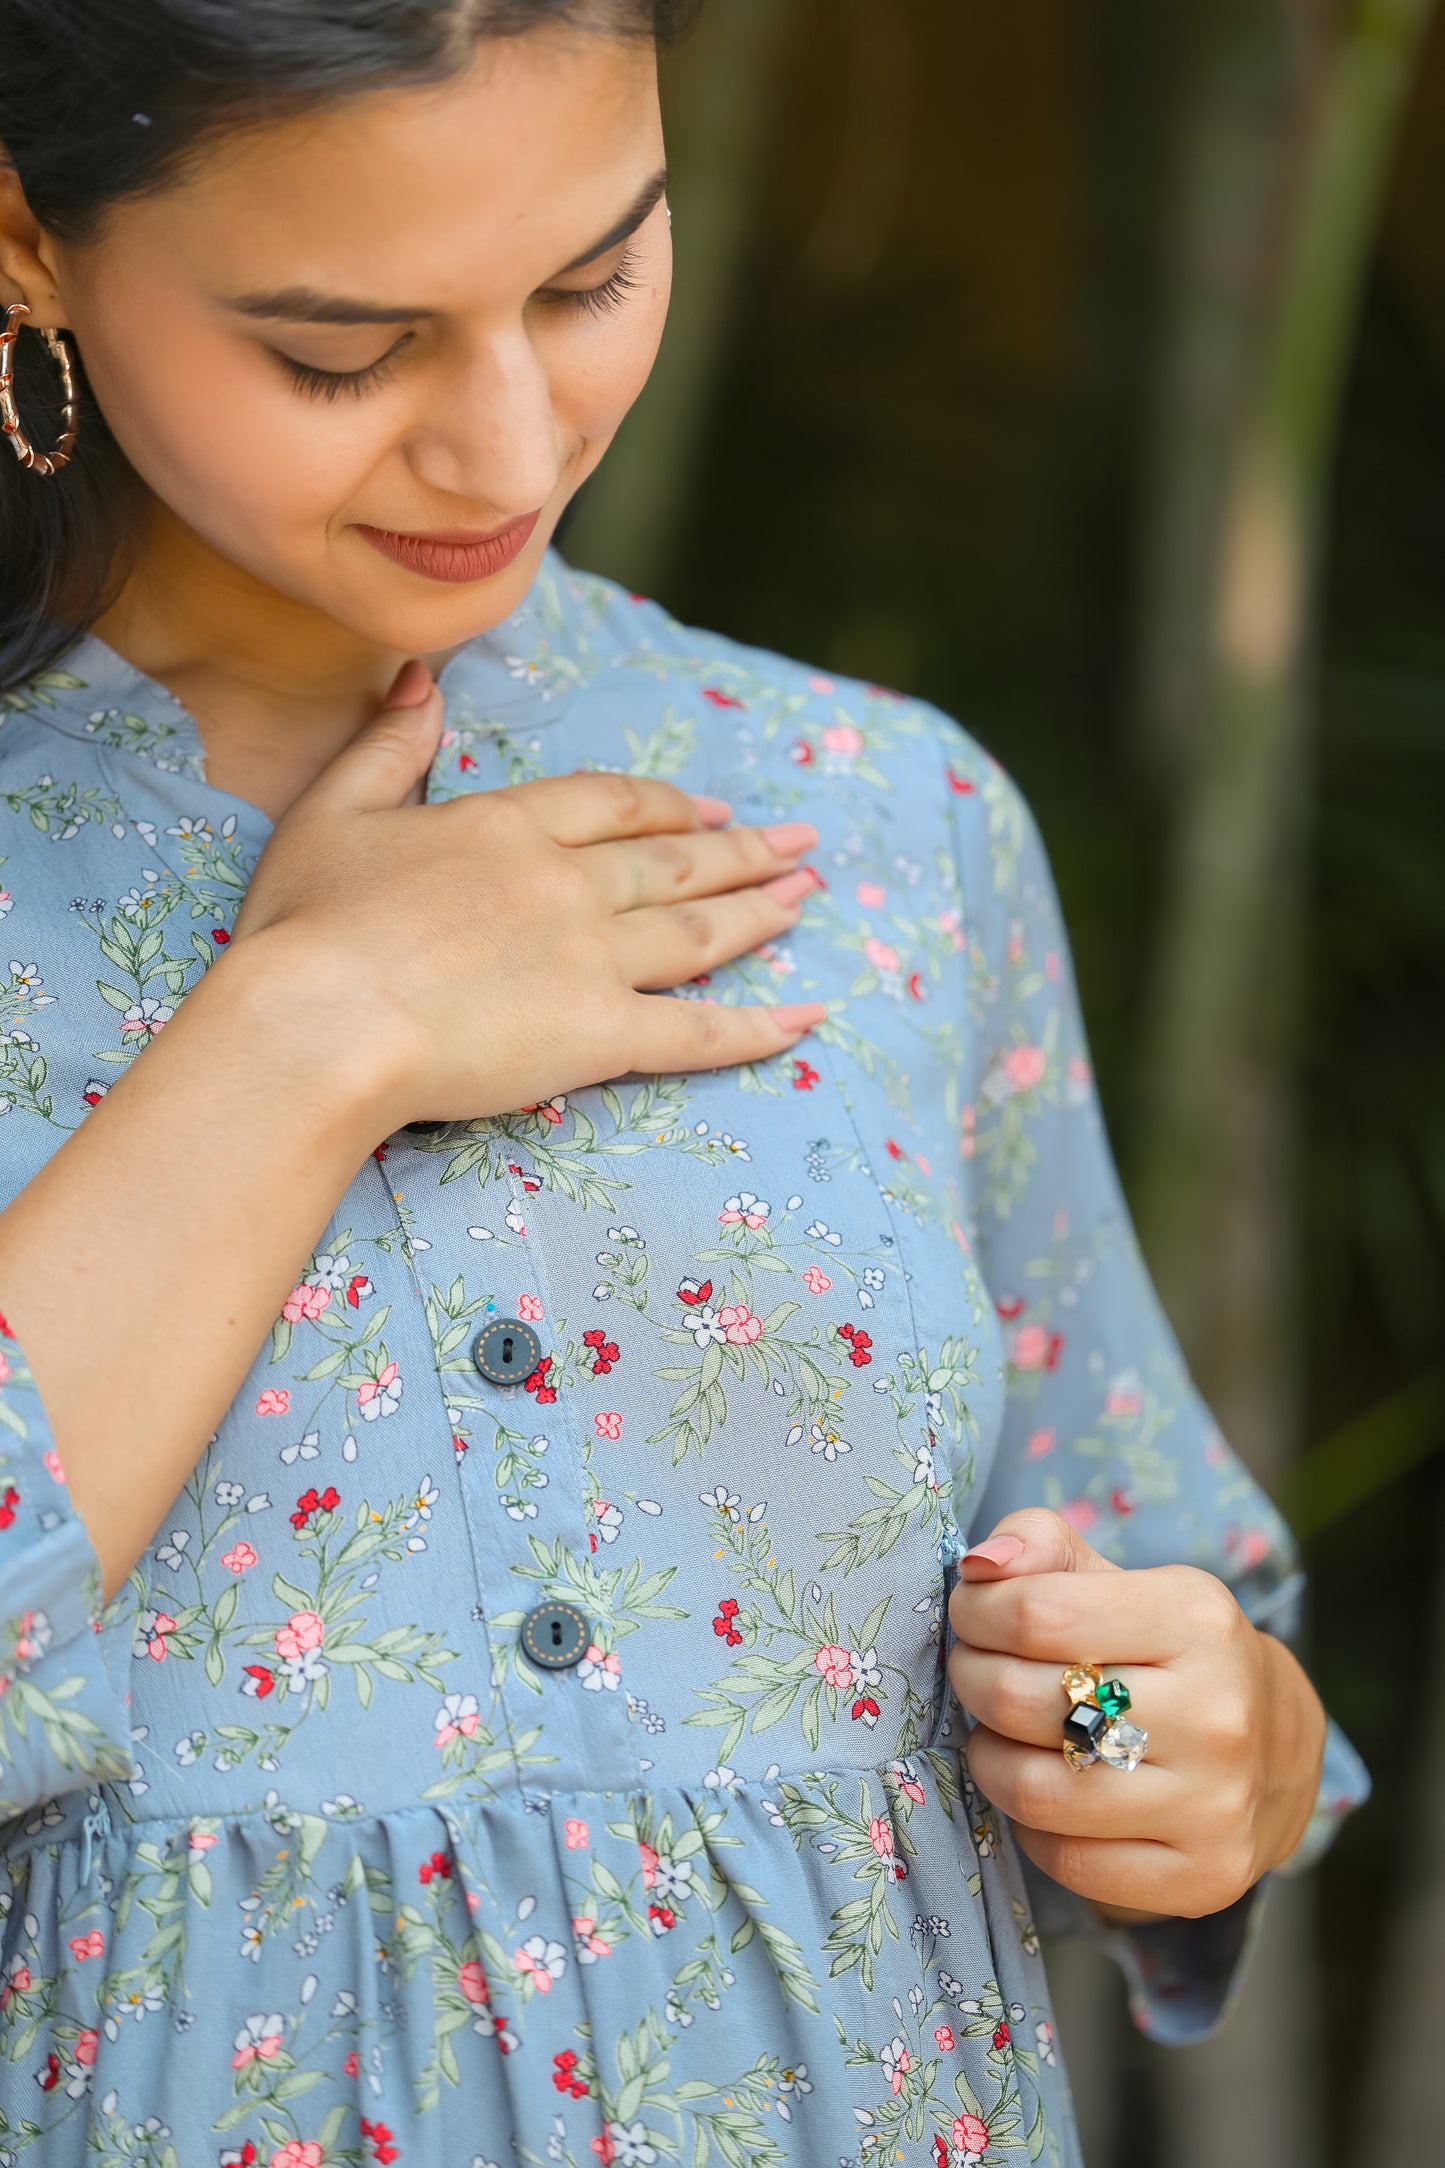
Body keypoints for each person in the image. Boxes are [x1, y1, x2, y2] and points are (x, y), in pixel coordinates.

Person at [0, 2, 1366, 2160]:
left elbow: (1167, 1675)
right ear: (27, 244)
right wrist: (305, 1037)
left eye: (593, 274)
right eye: (344, 352)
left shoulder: (881, 816)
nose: (513, 442)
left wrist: (1196, 1741)